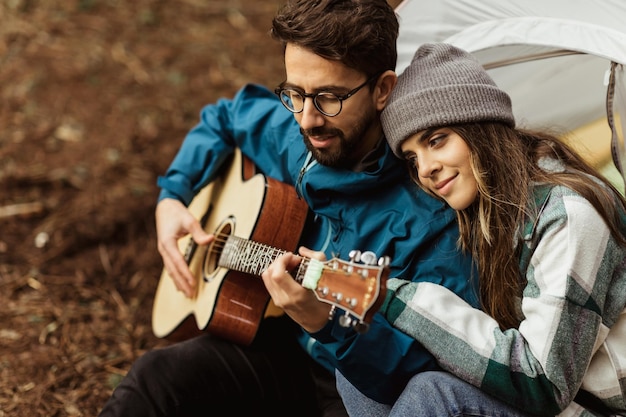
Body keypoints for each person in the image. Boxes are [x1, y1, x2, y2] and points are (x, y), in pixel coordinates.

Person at [97, 3, 478, 417]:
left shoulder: (433, 224)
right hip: (286, 346)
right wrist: (171, 197)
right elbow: (225, 117)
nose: (308, 119)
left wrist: (326, 325)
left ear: (383, 89)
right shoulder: (302, 139)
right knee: (157, 377)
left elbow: (423, 372)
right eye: (294, 94)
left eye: (329, 98)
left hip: (356, 391)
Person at [335, 42, 626, 417]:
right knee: (364, 375)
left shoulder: (570, 215)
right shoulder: (483, 214)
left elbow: (543, 383)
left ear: (479, 127)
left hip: (595, 408)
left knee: (433, 394)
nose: (425, 169)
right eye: (412, 158)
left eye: (436, 140)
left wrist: (405, 300)